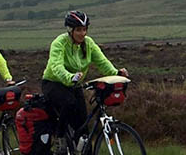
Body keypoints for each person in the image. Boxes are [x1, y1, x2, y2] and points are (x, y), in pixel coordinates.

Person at [41, 10, 128, 146]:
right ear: (70, 30)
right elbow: (56, 66)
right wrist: (70, 77)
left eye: (85, 29)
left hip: (74, 85)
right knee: (68, 102)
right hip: (53, 83)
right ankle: (60, 137)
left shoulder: (88, 44)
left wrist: (116, 73)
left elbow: (102, 62)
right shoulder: (59, 43)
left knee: (83, 126)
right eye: (79, 30)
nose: (83, 33)